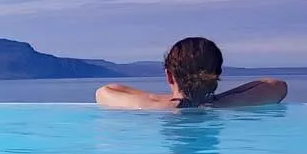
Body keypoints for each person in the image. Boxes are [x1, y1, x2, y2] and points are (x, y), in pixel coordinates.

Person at [95, 37, 287, 110]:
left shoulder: (150, 106)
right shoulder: (232, 105)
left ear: (169, 76)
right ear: (217, 74)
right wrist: (216, 99)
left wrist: (162, 99)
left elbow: (105, 91)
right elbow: (276, 85)